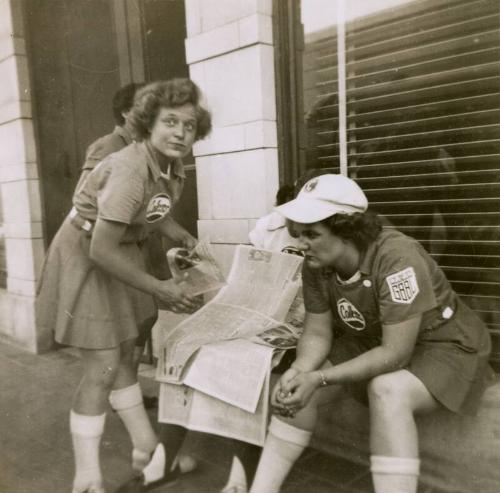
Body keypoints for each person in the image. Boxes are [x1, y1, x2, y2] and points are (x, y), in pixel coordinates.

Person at [247, 173, 493, 493]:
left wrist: (319, 378)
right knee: (294, 389)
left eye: (312, 234)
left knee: (387, 390)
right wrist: (299, 372)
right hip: (373, 341)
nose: (300, 243)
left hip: (444, 343)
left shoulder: (397, 256)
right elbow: (318, 334)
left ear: (346, 230)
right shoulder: (316, 263)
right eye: (298, 233)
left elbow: (396, 353)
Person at [36, 78, 212, 493]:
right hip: (90, 254)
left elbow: (152, 214)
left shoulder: (170, 164)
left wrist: (185, 237)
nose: (180, 133)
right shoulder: (130, 167)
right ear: (148, 123)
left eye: (189, 126)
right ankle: (87, 479)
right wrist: (160, 288)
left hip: (121, 252)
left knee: (124, 354)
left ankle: (145, 449)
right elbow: (100, 249)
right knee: (102, 367)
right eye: (170, 122)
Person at [75, 82, 159, 409]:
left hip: (140, 244)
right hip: (117, 248)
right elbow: (88, 200)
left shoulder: (144, 147)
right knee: (126, 328)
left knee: (144, 318)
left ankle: (127, 390)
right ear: (127, 112)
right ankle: (123, 392)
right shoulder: (107, 145)